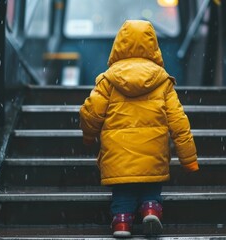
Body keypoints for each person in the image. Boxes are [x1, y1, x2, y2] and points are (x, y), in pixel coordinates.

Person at [79, 20, 198, 238]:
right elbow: (179, 121)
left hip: (119, 154)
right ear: (153, 46)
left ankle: (122, 223)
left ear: (119, 45)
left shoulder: (107, 80)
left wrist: (89, 136)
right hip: (153, 152)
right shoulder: (162, 81)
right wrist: (188, 158)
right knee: (151, 185)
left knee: (122, 191)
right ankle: (151, 209)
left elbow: (91, 114)